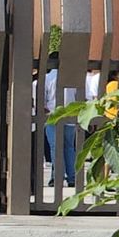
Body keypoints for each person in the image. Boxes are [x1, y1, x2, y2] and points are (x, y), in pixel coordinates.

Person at [43, 53, 77, 187]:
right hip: (70, 115)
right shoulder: (72, 77)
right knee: (69, 147)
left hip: (53, 115)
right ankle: (72, 177)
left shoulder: (47, 78)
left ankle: (57, 176)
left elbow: (42, 101)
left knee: (55, 147)